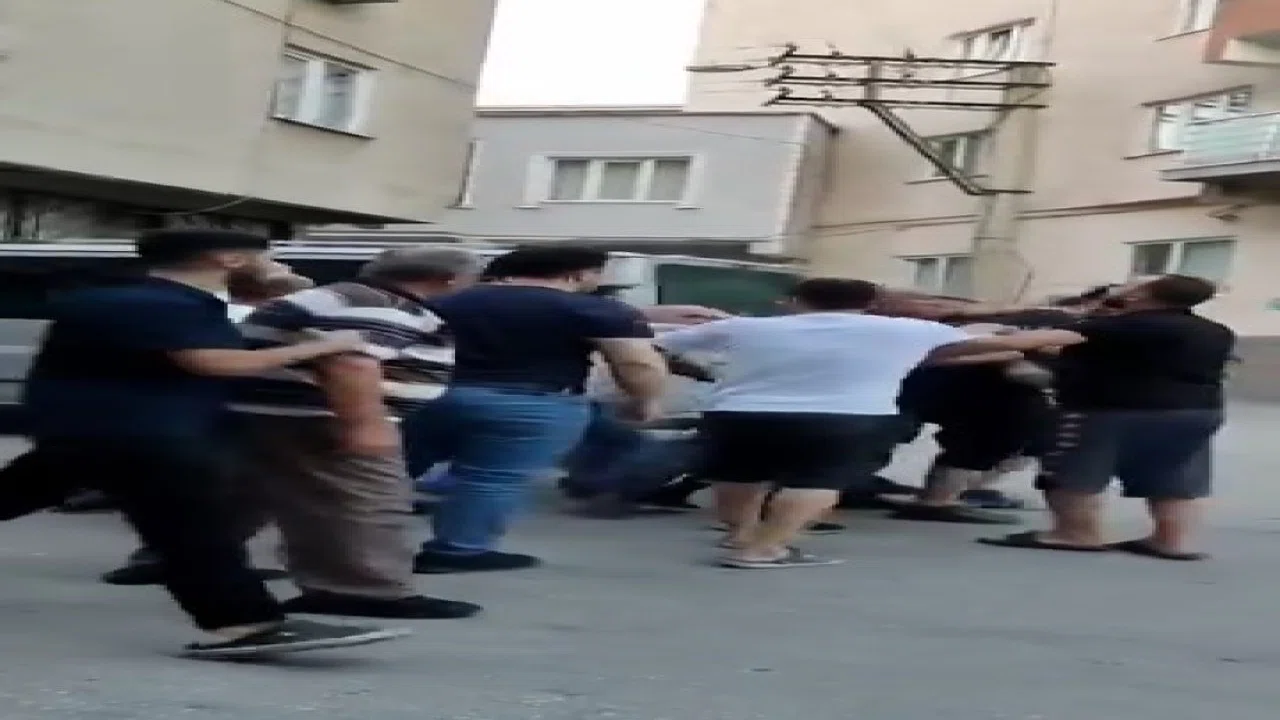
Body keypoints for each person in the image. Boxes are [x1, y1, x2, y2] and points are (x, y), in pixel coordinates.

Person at [4, 229, 406, 658]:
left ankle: (242, 620)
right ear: (228, 258)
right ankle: (243, 623)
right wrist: (329, 346)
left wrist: (284, 294)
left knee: (25, 492)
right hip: (139, 436)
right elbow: (212, 362)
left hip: (100, 431)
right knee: (191, 532)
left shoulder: (148, 299)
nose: (279, 266)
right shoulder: (161, 304)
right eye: (269, 257)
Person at [657, 278, 1084, 570]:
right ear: (869, 303)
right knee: (816, 481)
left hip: (739, 412)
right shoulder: (907, 330)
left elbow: (653, 343)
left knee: (740, 476)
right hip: (846, 415)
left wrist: (697, 371)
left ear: (797, 300)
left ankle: (740, 536)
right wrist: (1067, 335)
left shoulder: (748, 328)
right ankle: (764, 548)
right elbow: (1002, 343)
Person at [229, 248, 486, 619]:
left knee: (271, 497)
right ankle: (361, 589)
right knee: (364, 499)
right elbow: (350, 362)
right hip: (320, 414)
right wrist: (365, 424)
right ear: (450, 280)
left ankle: (191, 560)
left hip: (284, 413)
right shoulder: (380, 306)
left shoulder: (344, 297)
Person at [402, 246, 668, 573]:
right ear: (579, 274)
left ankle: (351, 542)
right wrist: (645, 400)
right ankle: (457, 550)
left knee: (388, 468)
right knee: (492, 478)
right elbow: (636, 363)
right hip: (533, 404)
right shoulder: (593, 309)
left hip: (429, 396)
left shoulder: (445, 301)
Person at [980, 275, 1233, 560]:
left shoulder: (1121, 325)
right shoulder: (1215, 331)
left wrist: (977, 339)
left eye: (1132, 285)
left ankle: (1075, 534)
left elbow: (1049, 339)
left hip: (1111, 410)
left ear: (1139, 296)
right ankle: (1170, 541)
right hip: (1197, 412)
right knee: (1173, 478)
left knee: (1075, 471)